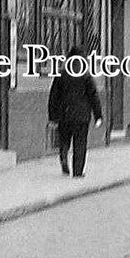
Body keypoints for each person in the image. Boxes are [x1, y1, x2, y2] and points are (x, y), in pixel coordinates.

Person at [47, 46, 103, 178]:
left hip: (64, 114)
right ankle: (78, 171)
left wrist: (52, 116)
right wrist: (98, 115)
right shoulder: (86, 76)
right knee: (80, 143)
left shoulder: (61, 75)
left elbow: (53, 96)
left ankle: (63, 157)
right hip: (82, 116)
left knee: (64, 139)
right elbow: (93, 96)